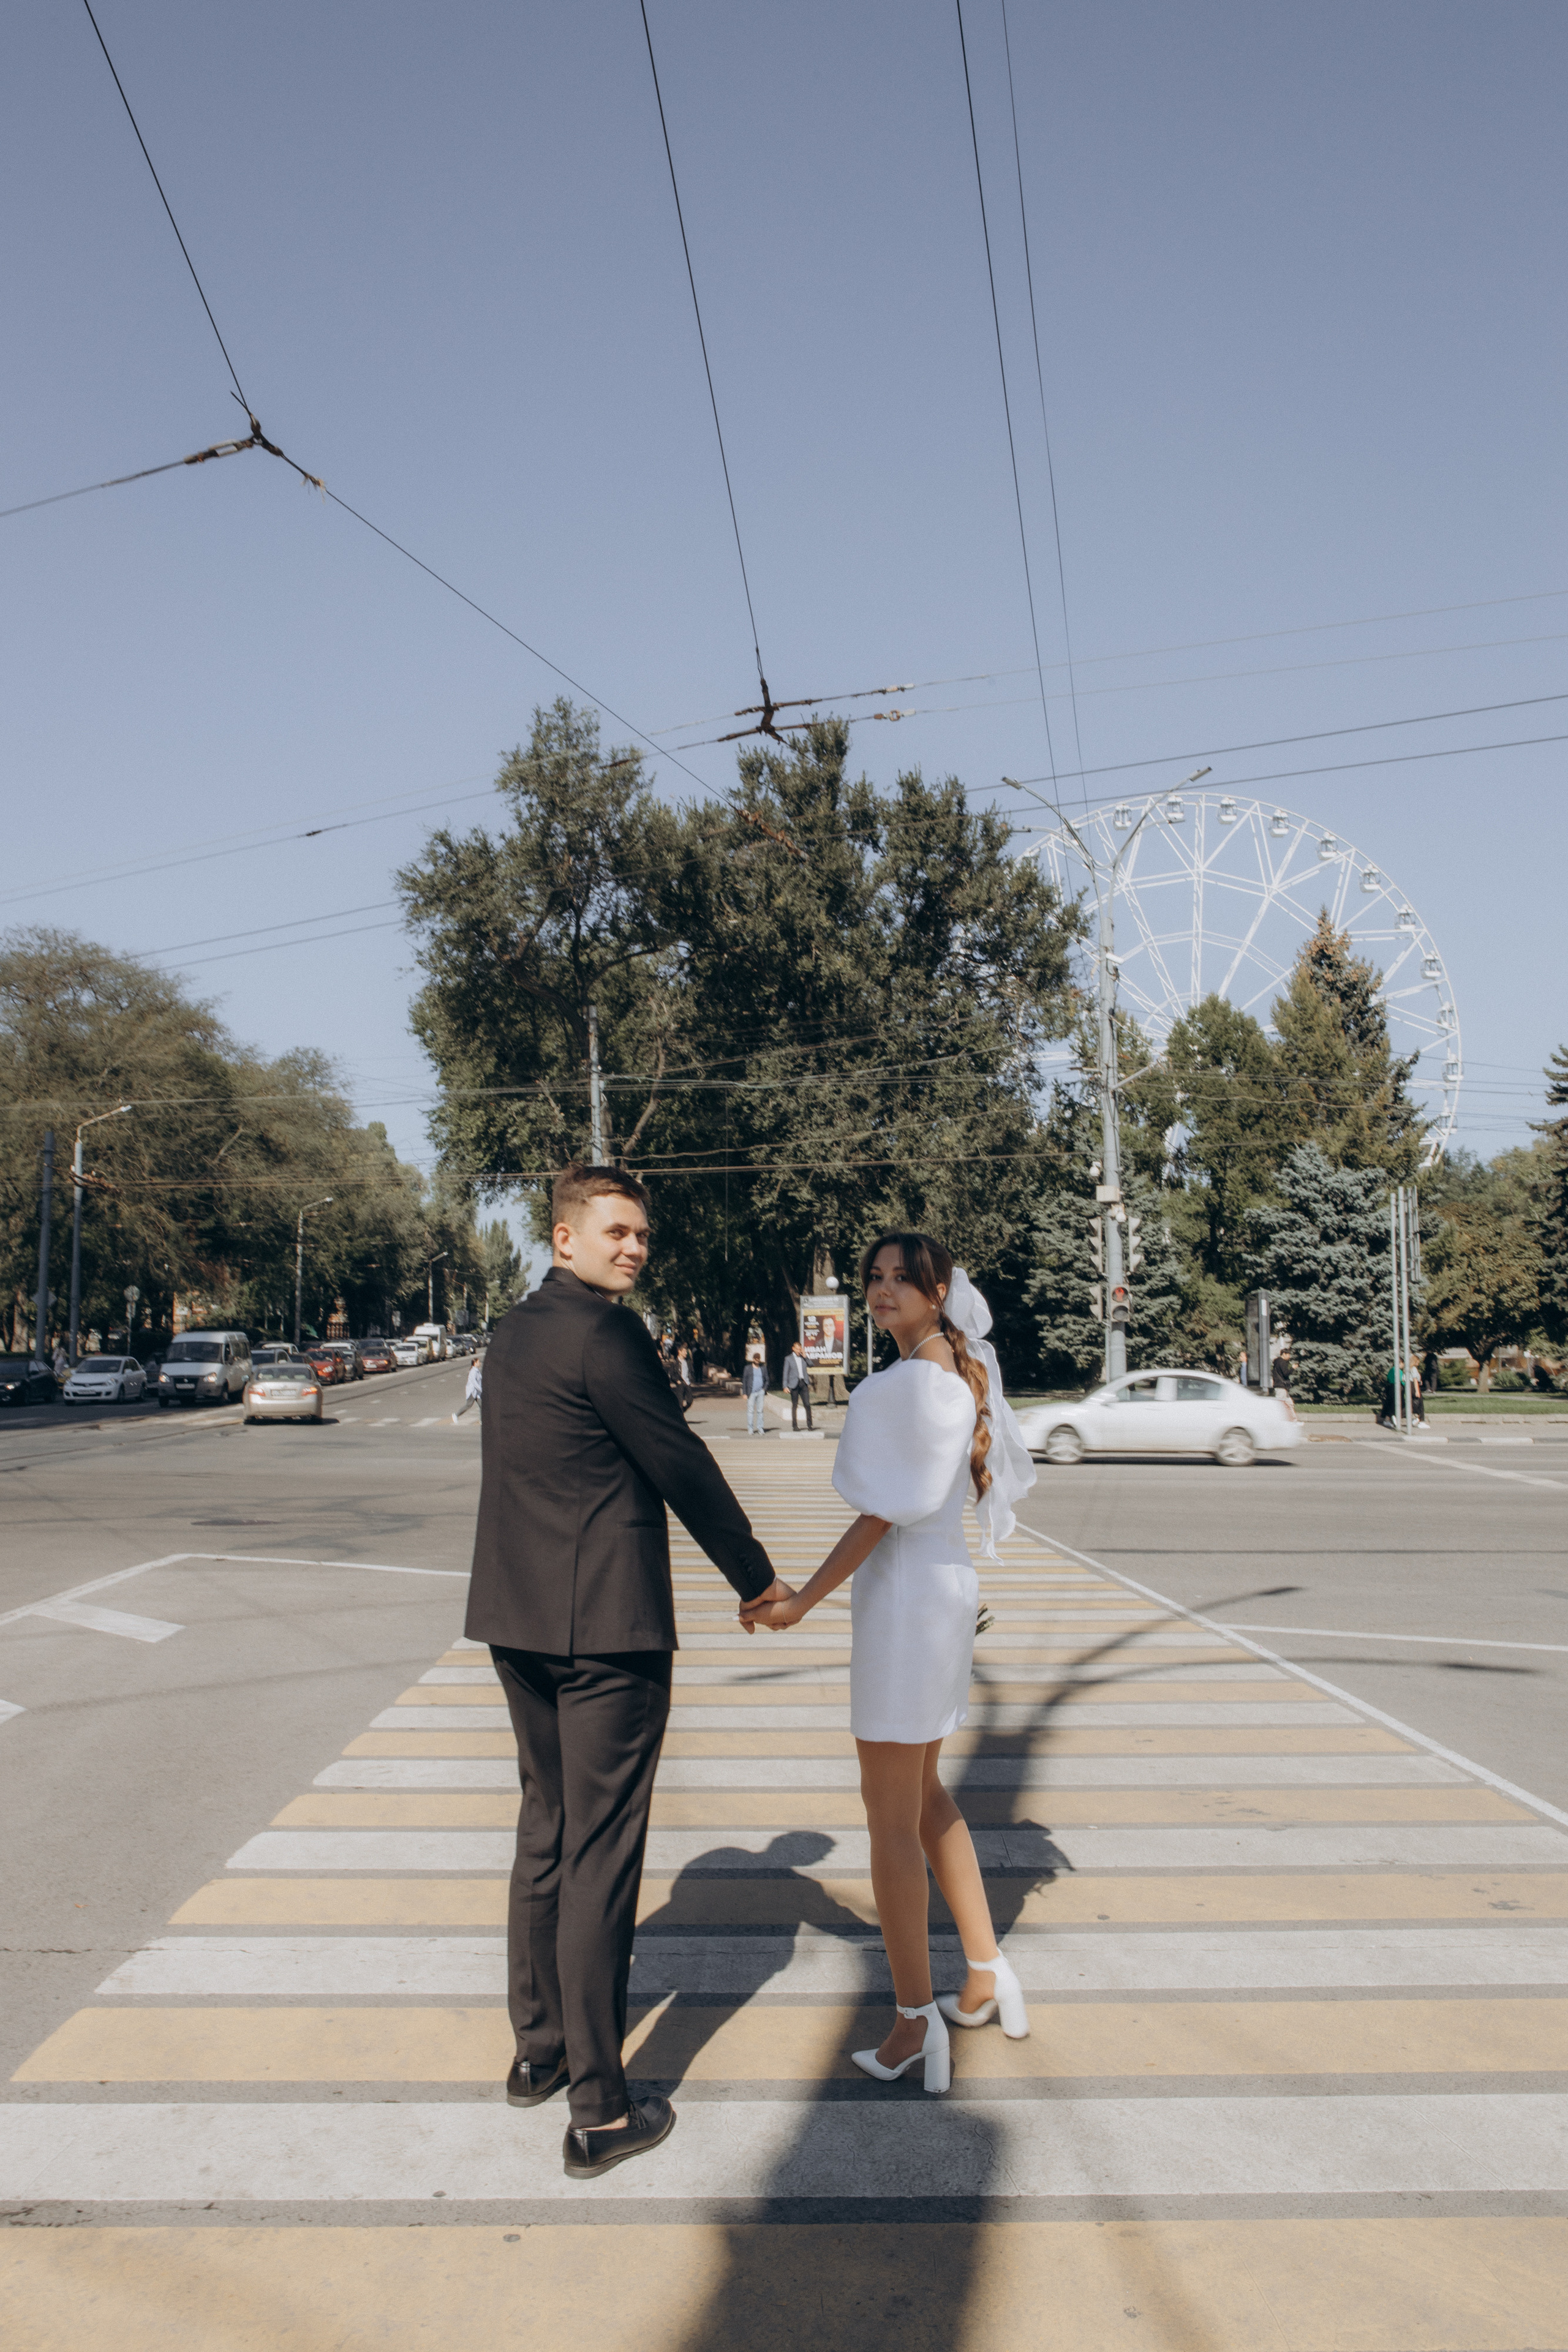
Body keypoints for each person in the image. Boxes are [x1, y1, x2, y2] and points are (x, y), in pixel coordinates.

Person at [466, 1163, 790, 2179]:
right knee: (601, 1859)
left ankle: (540, 2052)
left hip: (518, 1621)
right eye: (615, 1231)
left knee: (548, 1837)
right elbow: (678, 1463)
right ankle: (603, 2112)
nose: (633, 1247)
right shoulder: (606, 1334)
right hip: (605, 1632)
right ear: (564, 1237)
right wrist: (759, 1578)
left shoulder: (516, 1330)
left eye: (641, 1233)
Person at [741, 1232, 1036, 2094]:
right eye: (873, 1278)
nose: (881, 1291)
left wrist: (798, 1602)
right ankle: (984, 1973)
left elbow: (878, 1518)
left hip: (907, 1606)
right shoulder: (956, 1368)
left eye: (901, 1281)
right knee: (927, 1798)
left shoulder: (909, 1384)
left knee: (888, 1818)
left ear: (939, 1289)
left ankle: (915, 2022)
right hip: (942, 1594)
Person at [783, 1340, 813, 1430]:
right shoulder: (788, 1359)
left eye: (800, 1349)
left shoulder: (803, 1358)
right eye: (797, 1349)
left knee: (807, 1404)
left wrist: (805, 1356)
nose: (798, 1351)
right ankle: (795, 1425)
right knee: (795, 1405)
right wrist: (785, 1386)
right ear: (793, 1349)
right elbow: (786, 1373)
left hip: (803, 1383)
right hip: (793, 1384)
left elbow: (811, 1365)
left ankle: (810, 1424)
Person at [451, 1355, 483, 1422]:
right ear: (475, 1363)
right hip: (472, 1392)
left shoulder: (477, 1371)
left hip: (477, 1392)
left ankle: (482, 1420)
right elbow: (475, 1383)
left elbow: (480, 1381)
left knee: (482, 1405)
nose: (480, 1363)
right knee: (468, 1405)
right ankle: (456, 1415)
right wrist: (481, 1389)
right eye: (479, 1362)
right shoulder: (473, 1372)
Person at [741, 1353, 767, 1436]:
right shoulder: (748, 1368)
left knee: (760, 1411)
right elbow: (744, 1381)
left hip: (760, 1392)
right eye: (756, 1358)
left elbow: (767, 1380)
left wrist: (764, 1389)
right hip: (751, 1392)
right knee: (750, 1411)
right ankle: (750, 1429)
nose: (757, 1360)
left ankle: (760, 1428)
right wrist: (744, 1393)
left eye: (758, 1358)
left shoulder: (763, 1368)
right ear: (753, 1359)